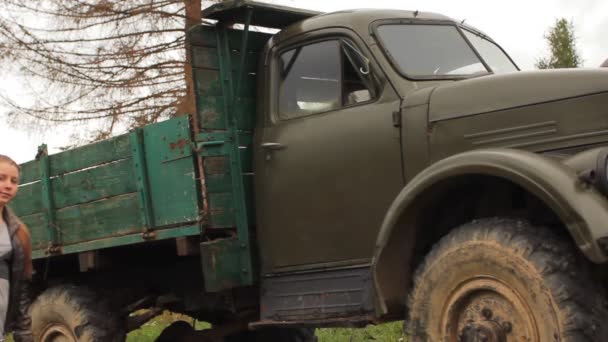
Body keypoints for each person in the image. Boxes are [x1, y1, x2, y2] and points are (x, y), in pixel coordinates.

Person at [0, 155, 33, 342]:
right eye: (1, 178)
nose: (8, 185)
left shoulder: (20, 233)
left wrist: (25, 336)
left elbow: (20, 291)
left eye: (14, 181)